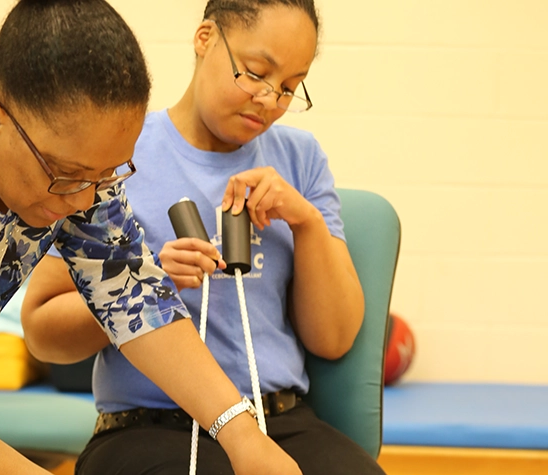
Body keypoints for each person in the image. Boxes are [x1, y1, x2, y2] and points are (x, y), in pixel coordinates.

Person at [0, 1, 300, 474]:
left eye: (107, 175)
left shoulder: (45, 114)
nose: (83, 201)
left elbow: (129, 288)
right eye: (68, 176)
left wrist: (241, 433)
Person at [21, 0, 387, 474]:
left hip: (280, 421)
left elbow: (334, 338)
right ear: (205, 39)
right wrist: (140, 288)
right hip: (149, 427)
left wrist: (306, 222)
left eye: (290, 87)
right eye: (256, 72)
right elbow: (43, 333)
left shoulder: (302, 159)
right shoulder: (118, 154)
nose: (270, 100)